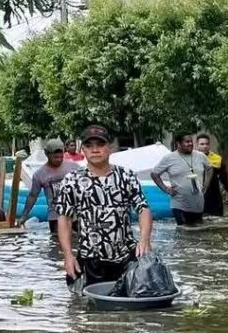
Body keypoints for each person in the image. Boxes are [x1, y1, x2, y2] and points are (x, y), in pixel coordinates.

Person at [54, 124, 152, 289]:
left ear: (110, 148)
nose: (95, 150)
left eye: (100, 145)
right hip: (91, 257)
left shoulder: (126, 176)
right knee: (91, 308)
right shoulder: (72, 181)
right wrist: (68, 255)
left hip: (126, 255)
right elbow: (64, 219)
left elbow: (143, 208)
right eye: (89, 146)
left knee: (134, 303)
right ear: (83, 150)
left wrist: (144, 240)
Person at [17, 139, 80, 233]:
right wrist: (24, 215)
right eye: (55, 157)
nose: (59, 160)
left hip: (75, 214)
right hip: (55, 215)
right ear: (47, 155)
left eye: (61, 156)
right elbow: (33, 195)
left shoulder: (74, 167)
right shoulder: (40, 174)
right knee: (56, 243)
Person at [152, 132, 211, 226]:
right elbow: (154, 174)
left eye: (191, 141)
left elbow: (209, 168)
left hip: (197, 203)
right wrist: (166, 189)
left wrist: (206, 185)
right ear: (178, 144)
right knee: (184, 231)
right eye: (187, 142)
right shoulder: (169, 158)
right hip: (179, 203)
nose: (190, 144)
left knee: (198, 233)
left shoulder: (200, 156)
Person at [195, 134, 228, 216]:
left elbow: (224, 177)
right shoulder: (191, 158)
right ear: (197, 145)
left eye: (207, 144)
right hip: (196, 195)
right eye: (202, 144)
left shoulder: (217, 158)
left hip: (213, 195)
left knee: (216, 220)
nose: (205, 146)